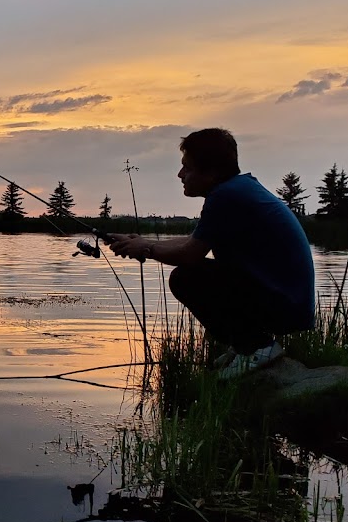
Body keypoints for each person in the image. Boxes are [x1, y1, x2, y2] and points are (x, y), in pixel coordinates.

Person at [107, 128, 315, 379]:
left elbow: (190, 255)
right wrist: (141, 241)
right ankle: (244, 346)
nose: (180, 175)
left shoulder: (226, 196)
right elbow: (196, 240)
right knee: (197, 274)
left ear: (211, 173)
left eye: (188, 168)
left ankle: (257, 347)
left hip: (285, 306)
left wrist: (148, 250)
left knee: (186, 278)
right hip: (286, 301)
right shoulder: (239, 188)